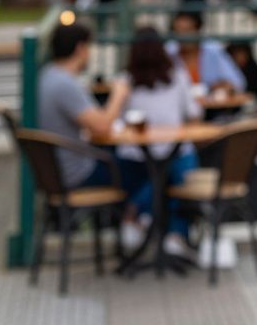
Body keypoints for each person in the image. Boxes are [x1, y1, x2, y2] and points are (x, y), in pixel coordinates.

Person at [117, 27, 202, 254]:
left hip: (135, 156)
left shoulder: (125, 81)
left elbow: (116, 121)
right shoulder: (178, 76)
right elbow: (194, 114)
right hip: (173, 153)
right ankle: (176, 233)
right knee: (174, 172)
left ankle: (134, 214)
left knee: (161, 173)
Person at [37, 23, 129, 189]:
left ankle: (125, 214)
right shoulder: (65, 83)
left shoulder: (48, 74)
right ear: (80, 48)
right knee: (141, 170)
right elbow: (102, 127)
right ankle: (133, 214)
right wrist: (118, 94)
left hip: (56, 171)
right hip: (76, 174)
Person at [167, 11, 246, 92]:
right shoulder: (169, 52)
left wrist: (218, 87)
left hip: (208, 103)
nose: (182, 36)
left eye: (187, 31)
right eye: (178, 31)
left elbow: (238, 83)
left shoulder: (212, 50)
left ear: (197, 30)